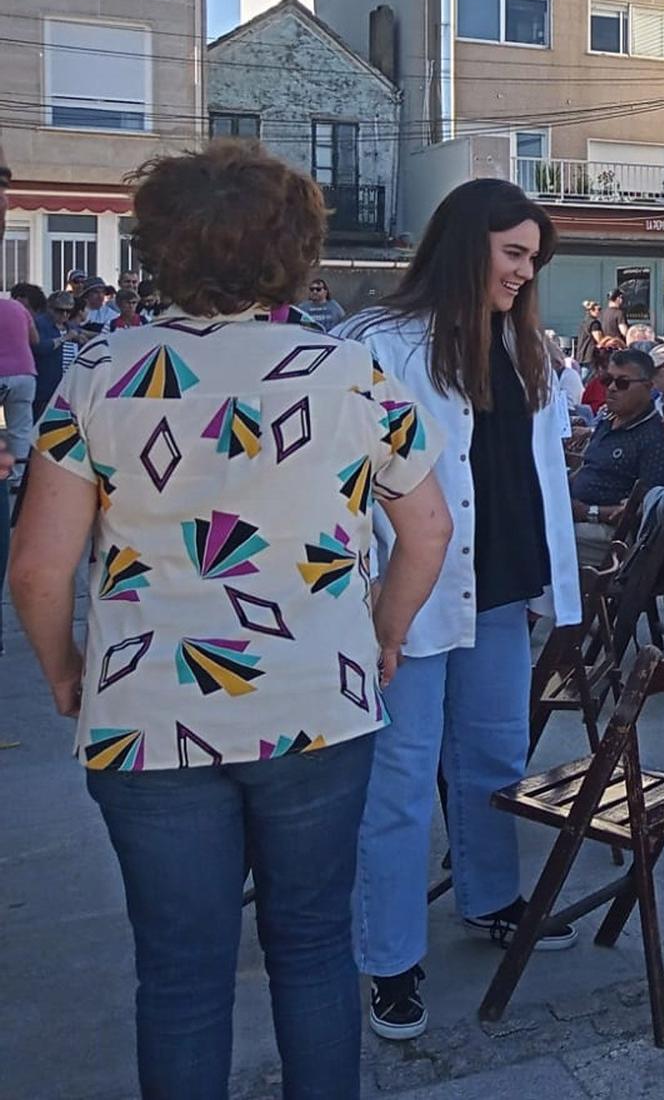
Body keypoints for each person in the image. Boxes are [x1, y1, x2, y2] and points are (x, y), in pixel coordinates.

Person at [12, 142, 453, 1097]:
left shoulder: (96, 375)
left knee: (179, 977)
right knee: (313, 950)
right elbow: (428, 531)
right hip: (319, 707)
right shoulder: (351, 376)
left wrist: (63, 667)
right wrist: (380, 636)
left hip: (145, 716)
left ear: (160, 247)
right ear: (295, 251)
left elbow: (38, 566)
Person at [342, 178, 585, 1042]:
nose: (525, 273)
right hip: (410, 596)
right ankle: (391, 958)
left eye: (533, 259)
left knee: (492, 760)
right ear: (463, 244)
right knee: (401, 781)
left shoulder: (526, 347)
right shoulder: (377, 346)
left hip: (504, 588)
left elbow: (542, 479)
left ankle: (491, 900)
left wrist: (562, 594)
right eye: (513, 253)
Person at [570, 346, 664, 567]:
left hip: (616, 538)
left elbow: (648, 509)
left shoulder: (655, 437)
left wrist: (588, 512)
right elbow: (589, 469)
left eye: (622, 383)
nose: (610, 388)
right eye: (607, 380)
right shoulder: (607, 422)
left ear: (648, 387)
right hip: (577, 517)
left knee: (535, 536)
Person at [0, 281, 37, 475]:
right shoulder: (18, 308)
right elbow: (35, 340)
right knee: (20, 429)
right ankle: (18, 477)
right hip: (24, 373)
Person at [12, 282, 63, 417]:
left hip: (41, 385)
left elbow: (38, 346)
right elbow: (38, 346)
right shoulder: (44, 322)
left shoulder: (39, 322)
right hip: (41, 385)